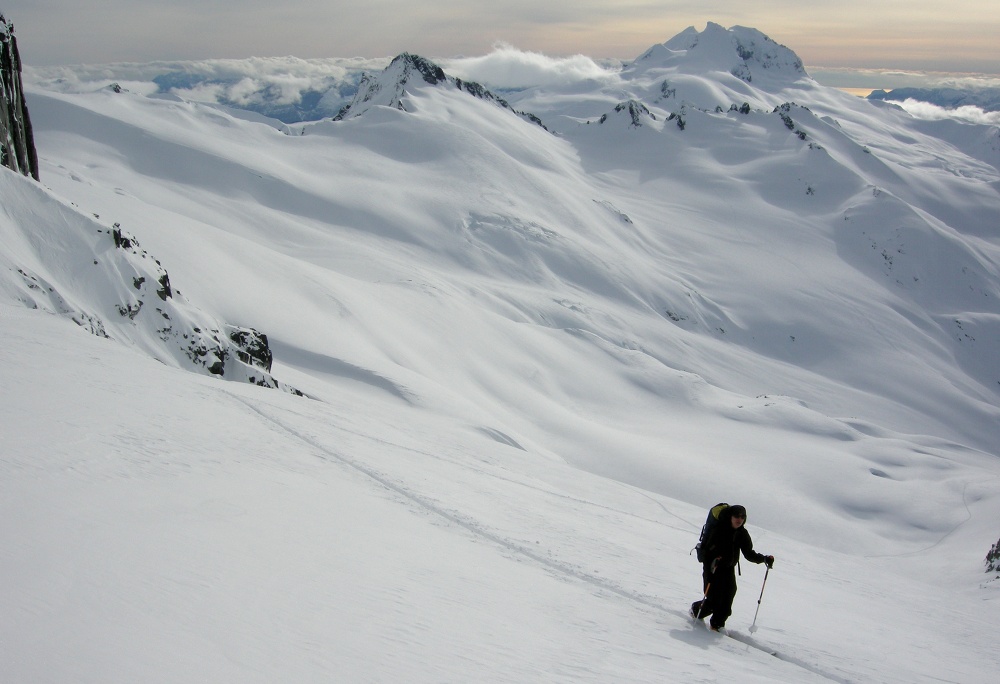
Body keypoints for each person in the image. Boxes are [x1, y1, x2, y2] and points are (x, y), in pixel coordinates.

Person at [690, 504, 774, 632]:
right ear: (730, 516)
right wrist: (711, 566)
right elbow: (707, 552)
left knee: (729, 595)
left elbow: (749, 553)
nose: (739, 519)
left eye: (742, 517)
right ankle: (696, 610)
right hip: (713, 568)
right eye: (736, 516)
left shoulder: (742, 533)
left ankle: (717, 625)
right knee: (714, 599)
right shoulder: (719, 529)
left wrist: (764, 559)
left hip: (728, 569)